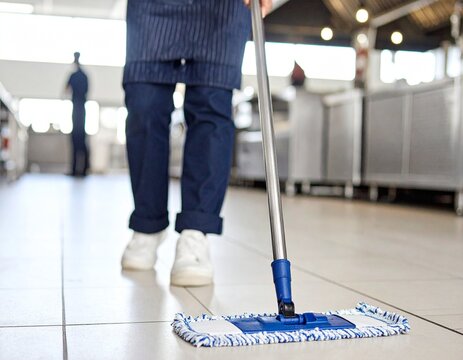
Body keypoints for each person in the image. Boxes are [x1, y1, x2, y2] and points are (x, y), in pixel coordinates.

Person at [121, 0, 273, 286]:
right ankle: (147, 224)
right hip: (152, 9)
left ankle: (195, 231)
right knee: (144, 103)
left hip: (222, 9)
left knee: (211, 105)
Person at [66, 52, 89, 177]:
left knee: (76, 140)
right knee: (81, 141)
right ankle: (83, 169)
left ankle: (77, 170)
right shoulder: (84, 76)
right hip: (81, 109)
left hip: (77, 109)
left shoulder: (74, 76)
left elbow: (65, 90)